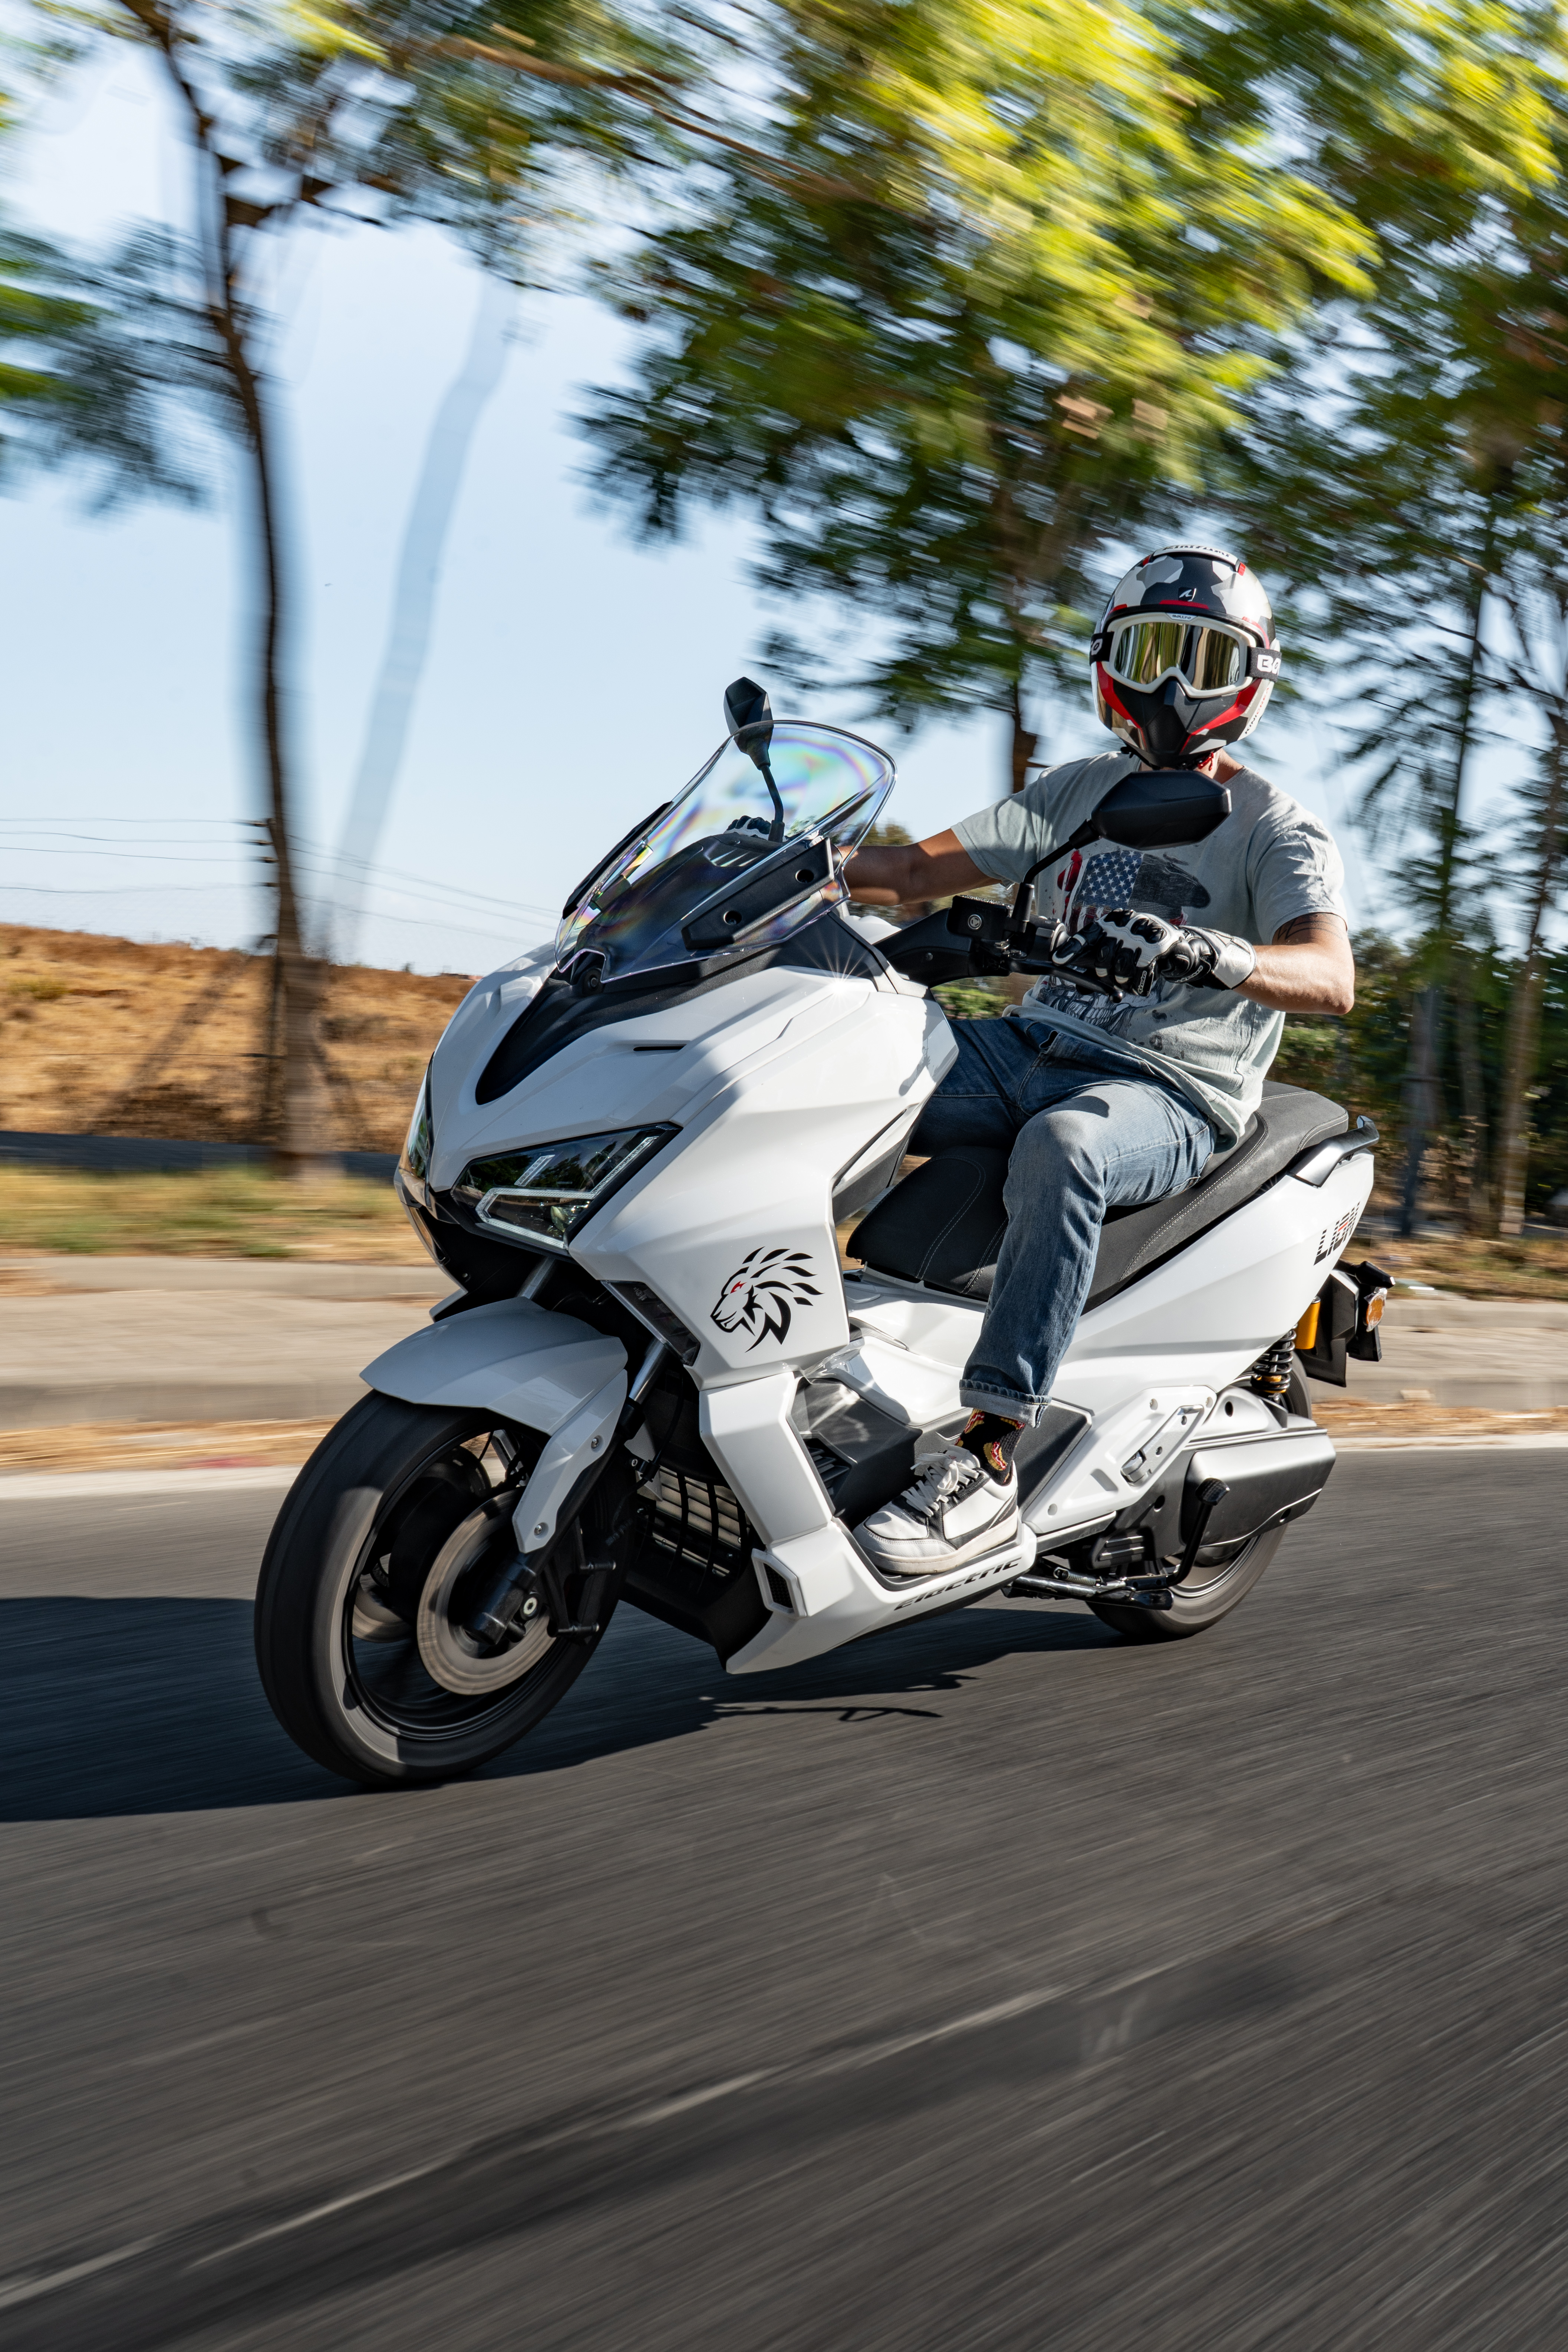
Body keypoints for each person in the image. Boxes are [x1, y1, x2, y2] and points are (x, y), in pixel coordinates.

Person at [841, 544, 1355, 1575]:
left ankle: (987, 1452)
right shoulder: (1078, 789)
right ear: (1109, 662)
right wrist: (781, 866)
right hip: (1030, 1042)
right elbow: (904, 871)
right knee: (846, 1063)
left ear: (1248, 677)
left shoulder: (1273, 827)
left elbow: (1330, 974)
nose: (1171, 687)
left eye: (1200, 659)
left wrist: (1207, 949)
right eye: (1152, 652)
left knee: (1064, 1147)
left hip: (1167, 1088)